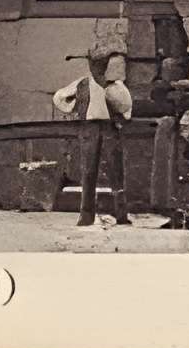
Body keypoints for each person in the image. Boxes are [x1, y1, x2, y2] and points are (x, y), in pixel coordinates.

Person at [53, 48, 133, 228]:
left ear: (105, 66)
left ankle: (121, 214)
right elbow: (59, 97)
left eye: (100, 65)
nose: (96, 68)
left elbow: (126, 105)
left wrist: (114, 100)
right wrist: (74, 107)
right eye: (94, 64)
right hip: (88, 128)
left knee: (116, 170)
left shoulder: (115, 86)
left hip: (109, 128)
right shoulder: (81, 83)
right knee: (88, 171)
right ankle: (86, 216)